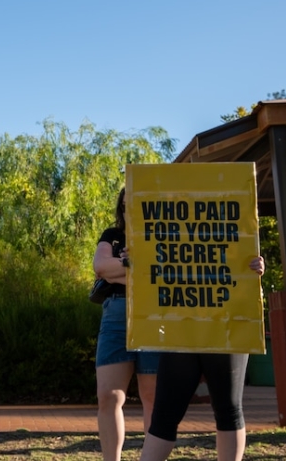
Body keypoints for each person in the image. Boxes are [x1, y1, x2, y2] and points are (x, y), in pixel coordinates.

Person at [139, 256, 265, 461]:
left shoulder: (238, 226)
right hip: (182, 321)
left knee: (228, 409)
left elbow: (246, 248)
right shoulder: (167, 228)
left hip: (226, 319)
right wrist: (135, 256)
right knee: (165, 414)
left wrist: (255, 266)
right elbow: (150, 254)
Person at [93, 187, 159, 461]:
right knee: (109, 396)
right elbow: (101, 268)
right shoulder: (112, 235)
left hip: (154, 313)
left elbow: (165, 273)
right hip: (117, 313)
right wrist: (135, 266)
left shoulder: (162, 234)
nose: (128, 207)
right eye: (124, 203)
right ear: (120, 207)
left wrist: (119, 271)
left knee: (153, 396)